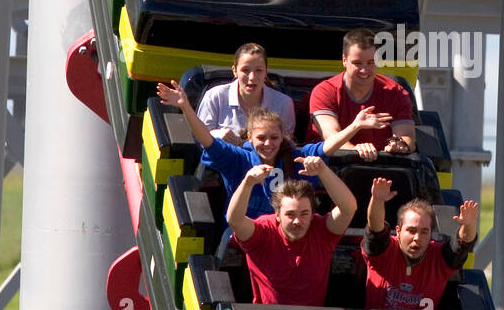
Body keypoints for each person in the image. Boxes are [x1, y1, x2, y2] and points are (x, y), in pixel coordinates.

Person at [156, 84, 386, 216]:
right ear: (249, 137)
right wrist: (186, 107)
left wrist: (355, 126)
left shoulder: (294, 158)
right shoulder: (239, 158)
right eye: (261, 138)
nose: (268, 144)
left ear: (283, 136)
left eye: (274, 137)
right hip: (244, 235)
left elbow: (326, 147)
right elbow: (207, 139)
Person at [227, 156, 357, 306]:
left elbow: (348, 208)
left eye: (304, 214)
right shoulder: (264, 231)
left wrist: (323, 171)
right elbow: (235, 220)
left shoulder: (321, 230)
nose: (297, 221)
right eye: (290, 214)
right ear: (277, 214)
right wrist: (248, 183)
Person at [362, 179, 479, 310]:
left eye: (424, 232)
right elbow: (375, 228)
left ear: (431, 234)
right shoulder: (383, 252)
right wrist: (377, 200)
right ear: (398, 231)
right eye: (411, 230)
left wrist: (469, 224)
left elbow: (463, 243)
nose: (417, 238)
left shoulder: (438, 258)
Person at [309, 27, 416, 160]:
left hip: (383, 167)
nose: (364, 70)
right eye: (357, 63)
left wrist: (400, 145)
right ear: (344, 60)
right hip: (329, 166)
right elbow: (330, 136)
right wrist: (355, 151)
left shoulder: (396, 93)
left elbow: (407, 137)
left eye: (371, 63)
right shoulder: (325, 91)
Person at [195, 40, 296, 141]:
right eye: (245, 70)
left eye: (259, 70)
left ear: (266, 72)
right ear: (235, 71)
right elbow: (200, 139)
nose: (252, 77)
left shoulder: (284, 103)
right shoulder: (214, 96)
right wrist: (215, 135)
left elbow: (286, 146)